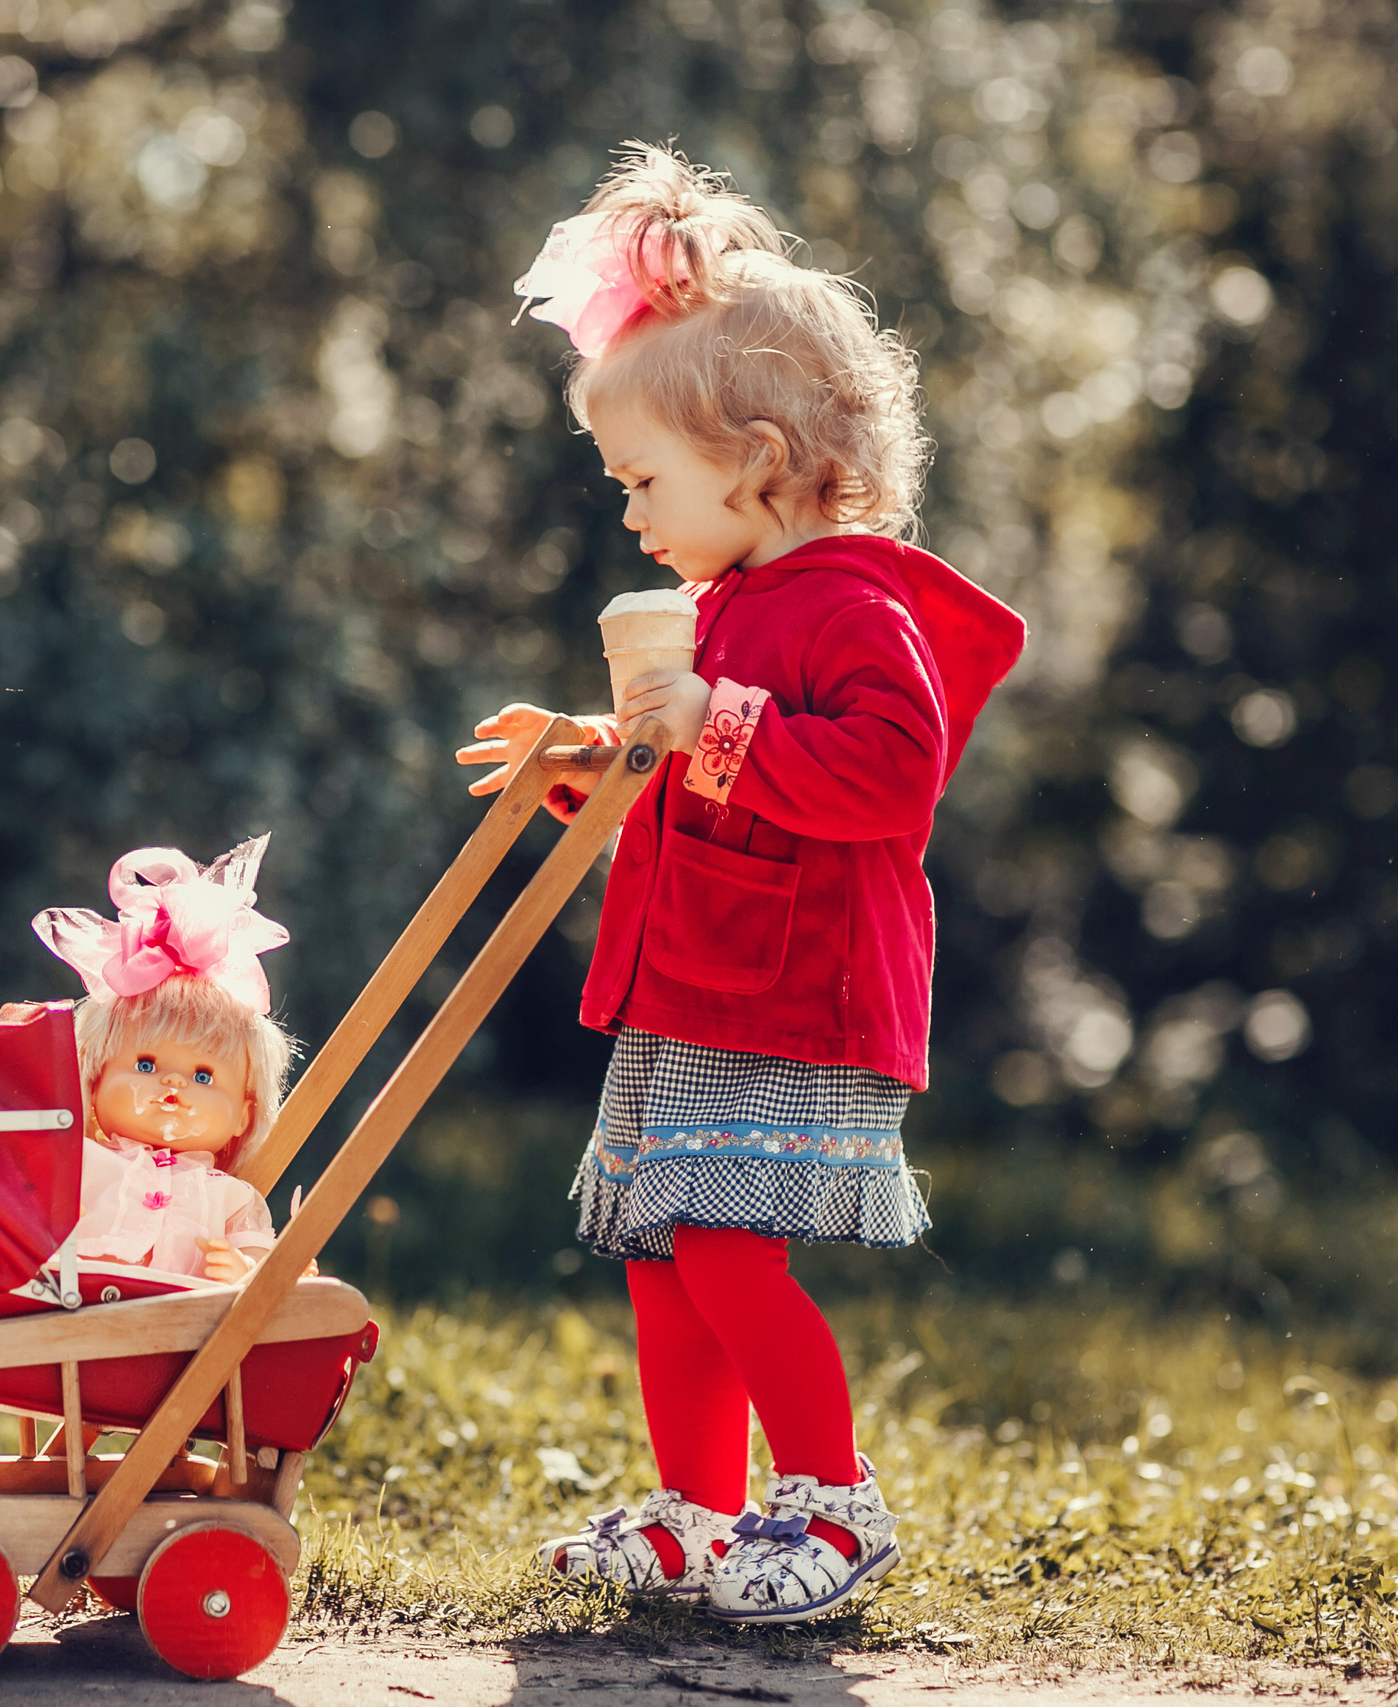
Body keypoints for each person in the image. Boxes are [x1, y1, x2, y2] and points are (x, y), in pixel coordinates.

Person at [458, 142, 1025, 1623]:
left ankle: (833, 1504)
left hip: (793, 985)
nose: (633, 511)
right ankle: (698, 1512)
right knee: (665, 1254)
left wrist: (706, 714)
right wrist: (591, 757)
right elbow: (699, 771)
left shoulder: (850, 604)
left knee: (722, 1246)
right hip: (700, 975)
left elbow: (888, 777)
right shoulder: (727, 604)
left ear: (756, 460)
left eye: (646, 479)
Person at [32, 837, 296, 1284]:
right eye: (146, 1066)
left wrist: (244, 1270)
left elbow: (260, 1267)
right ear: (94, 1081)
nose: (173, 1083)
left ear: (242, 1116)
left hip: (180, 1343)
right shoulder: (81, 1164)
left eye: (203, 1075)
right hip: (71, 1320)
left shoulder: (229, 1199)